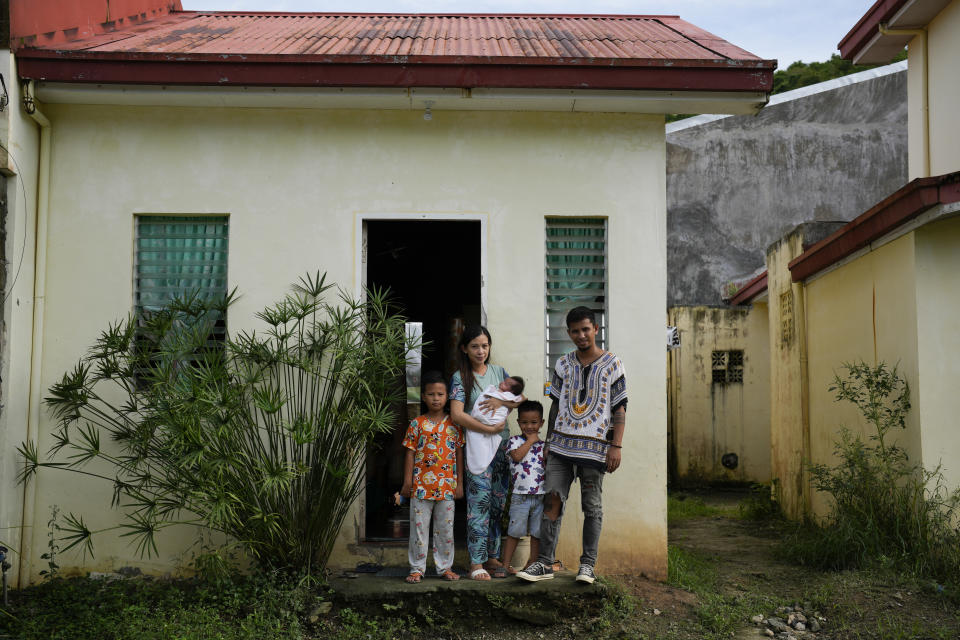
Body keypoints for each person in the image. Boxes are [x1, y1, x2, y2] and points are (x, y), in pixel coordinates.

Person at [517, 307, 627, 585]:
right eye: (575, 331)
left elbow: (620, 409)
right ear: (568, 333)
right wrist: (548, 442)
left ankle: (588, 565)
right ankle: (543, 563)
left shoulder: (613, 364)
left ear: (596, 329)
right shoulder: (563, 364)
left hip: (595, 449)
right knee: (552, 501)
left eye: (586, 329)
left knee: (592, 507)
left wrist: (616, 446)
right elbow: (555, 406)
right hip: (561, 448)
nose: (581, 335)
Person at [449, 325, 524, 580]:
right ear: (464, 349)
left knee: (496, 504)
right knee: (478, 505)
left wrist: (501, 403)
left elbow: (519, 399)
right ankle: (476, 563)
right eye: (474, 346)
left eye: (484, 345)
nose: (481, 351)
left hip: (502, 448)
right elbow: (457, 414)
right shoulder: (460, 377)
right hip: (477, 448)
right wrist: (487, 428)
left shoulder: (499, 372)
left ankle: (492, 557)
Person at [400, 370, 464, 583]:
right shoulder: (417, 424)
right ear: (423, 397)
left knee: (445, 530)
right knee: (418, 530)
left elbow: (459, 455)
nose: (436, 398)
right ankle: (416, 569)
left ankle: (445, 567)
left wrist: (459, 484)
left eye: (440, 394)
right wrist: (408, 482)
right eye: (431, 394)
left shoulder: (454, 425)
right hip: (420, 487)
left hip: (447, 487)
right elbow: (410, 452)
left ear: (447, 397)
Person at [501, 400, 546, 575]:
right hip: (520, 496)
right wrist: (530, 440)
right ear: (519, 422)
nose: (529, 426)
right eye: (525, 422)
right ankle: (505, 564)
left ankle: (532, 563)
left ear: (541, 423)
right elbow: (518, 457)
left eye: (534, 423)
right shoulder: (514, 442)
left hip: (540, 496)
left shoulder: (544, 446)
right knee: (514, 531)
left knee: (536, 532)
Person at [465, 376, 525, 476]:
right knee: (479, 447)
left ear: (511, 391)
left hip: (495, 425)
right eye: (504, 381)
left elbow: (522, 399)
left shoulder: (508, 394)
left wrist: (501, 401)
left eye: (506, 384)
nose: (502, 383)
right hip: (478, 424)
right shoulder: (494, 390)